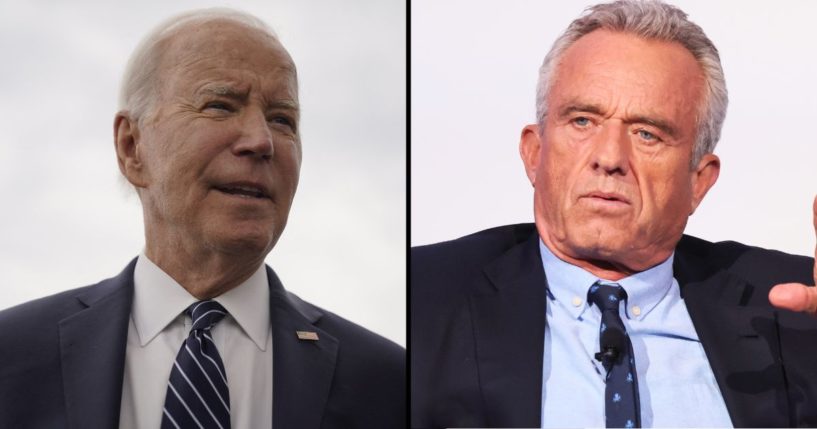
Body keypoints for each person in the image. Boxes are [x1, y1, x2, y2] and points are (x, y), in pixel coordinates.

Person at [411, 1, 817, 427]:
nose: (609, 157)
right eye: (583, 121)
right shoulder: (425, 295)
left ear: (699, 180)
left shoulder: (795, 312)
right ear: (535, 153)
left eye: (647, 133)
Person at [0, 8, 405, 428]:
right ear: (132, 147)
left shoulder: (390, 383)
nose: (260, 141)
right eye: (219, 106)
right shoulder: (12, 357)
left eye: (282, 119)